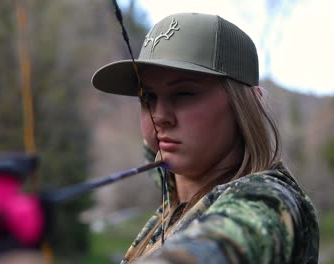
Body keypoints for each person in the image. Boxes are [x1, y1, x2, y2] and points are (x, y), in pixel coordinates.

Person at [91, 13, 319, 263]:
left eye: (185, 93)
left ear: (244, 106)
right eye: (148, 98)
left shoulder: (268, 203)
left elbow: (223, 243)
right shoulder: (176, 180)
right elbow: (154, 150)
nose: (159, 117)